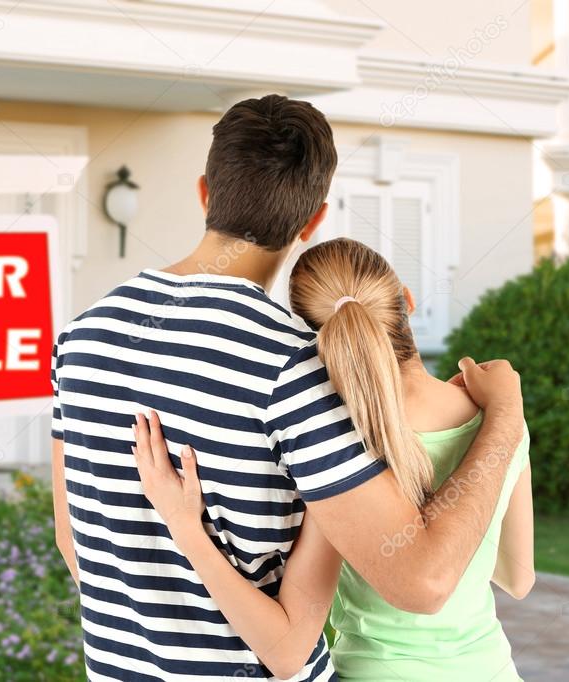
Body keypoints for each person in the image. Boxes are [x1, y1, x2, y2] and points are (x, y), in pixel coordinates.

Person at [50, 94, 525, 681]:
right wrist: (504, 419)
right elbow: (423, 582)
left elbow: (76, 545)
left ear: (205, 193)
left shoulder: (80, 340)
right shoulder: (295, 367)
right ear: (314, 219)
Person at [132, 237, 534, 680]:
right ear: (405, 302)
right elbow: (518, 578)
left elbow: (287, 641)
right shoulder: (500, 419)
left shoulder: (331, 443)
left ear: (311, 340)